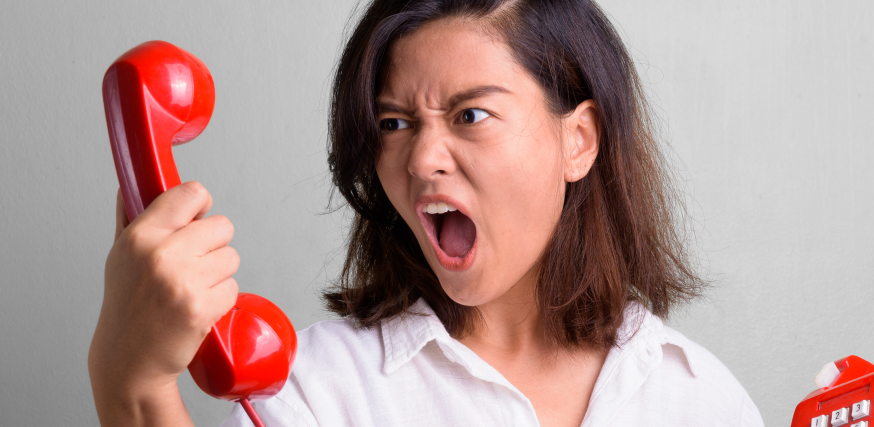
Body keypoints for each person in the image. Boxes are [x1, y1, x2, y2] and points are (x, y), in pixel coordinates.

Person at [89, 0, 764, 426]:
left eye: (471, 114)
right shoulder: (319, 394)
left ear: (577, 140)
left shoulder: (700, 398)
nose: (420, 160)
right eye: (394, 122)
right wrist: (130, 383)